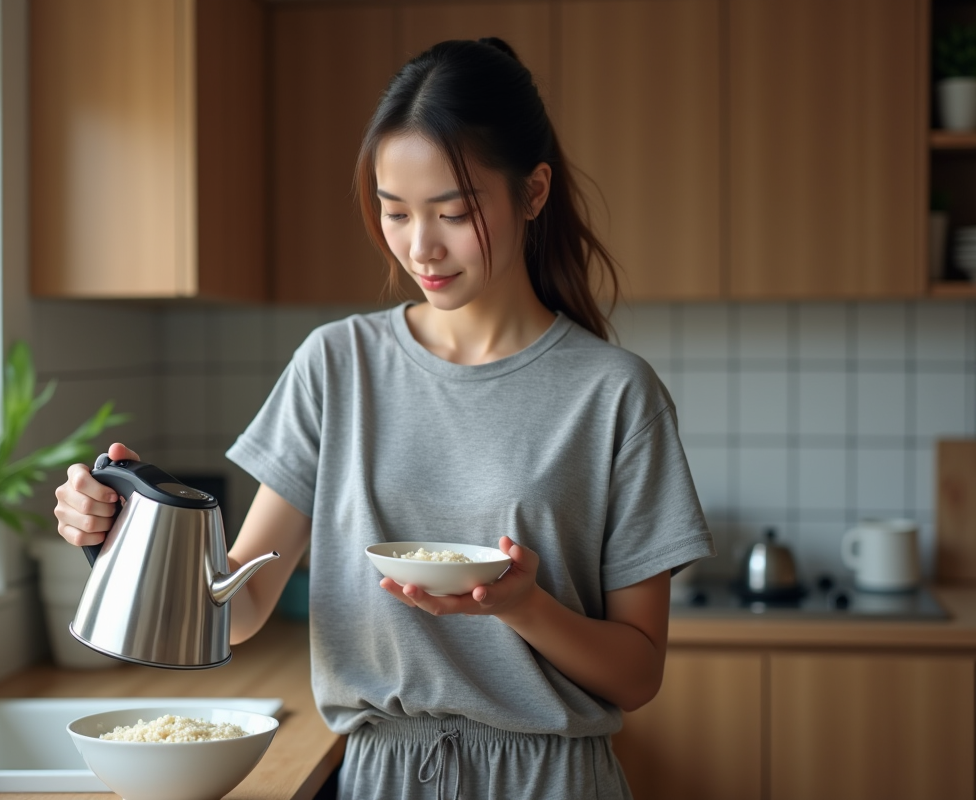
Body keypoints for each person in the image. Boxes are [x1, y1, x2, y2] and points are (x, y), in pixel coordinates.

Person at [54, 37, 714, 800]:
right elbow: (238, 606)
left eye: (455, 213)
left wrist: (523, 605)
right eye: (394, 212)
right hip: (380, 778)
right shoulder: (336, 366)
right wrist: (122, 532)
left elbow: (637, 675)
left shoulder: (615, 393)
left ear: (534, 192)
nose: (420, 247)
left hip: (552, 780)